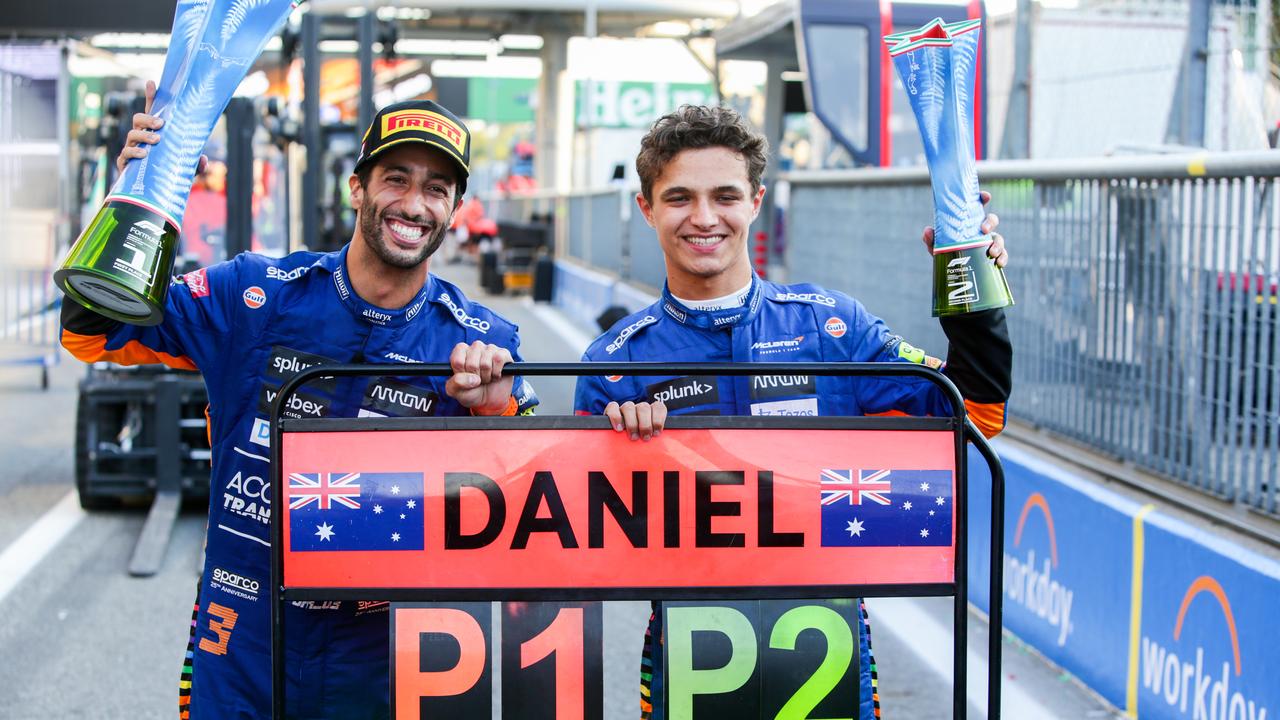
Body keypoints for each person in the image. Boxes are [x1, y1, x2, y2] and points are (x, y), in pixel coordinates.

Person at [63, 86, 537, 719]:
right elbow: (92, 331)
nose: (414, 204)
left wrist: (497, 409)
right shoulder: (254, 293)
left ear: (454, 209)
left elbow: (548, 502)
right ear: (357, 188)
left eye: (436, 189)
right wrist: (134, 199)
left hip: (389, 654)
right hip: (242, 640)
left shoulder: (479, 342)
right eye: (396, 179)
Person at [573, 104, 1012, 720]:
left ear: (755, 201)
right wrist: (624, 456)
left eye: (725, 195)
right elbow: (584, 551)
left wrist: (974, 287)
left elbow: (977, 415)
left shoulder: (833, 325)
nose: (703, 218)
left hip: (830, 654)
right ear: (647, 209)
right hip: (686, 660)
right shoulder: (611, 364)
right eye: (679, 198)